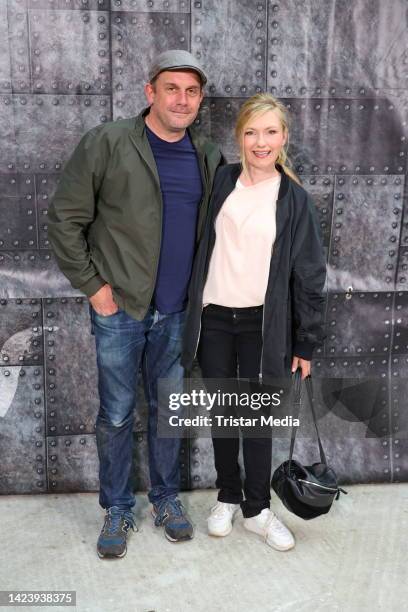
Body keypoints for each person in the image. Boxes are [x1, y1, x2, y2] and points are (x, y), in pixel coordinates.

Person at [48, 50, 224, 558]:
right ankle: (118, 507)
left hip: (178, 312)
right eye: (172, 88)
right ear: (150, 92)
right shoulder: (106, 142)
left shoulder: (206, 154)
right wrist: (96, 290)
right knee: (119, 413)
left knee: (169, 409)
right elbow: (65, 220)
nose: (182, 99)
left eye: (191, 91)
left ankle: (167, 499)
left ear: (200, 99)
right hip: (119, 309)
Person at [181, 93, 326, 551]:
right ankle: (227, 494)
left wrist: (305, 343)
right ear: (239, 136)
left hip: (265, 325)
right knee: (224, 411)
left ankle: (258, 509)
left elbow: (309, 275)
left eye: (269, 132)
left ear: (283, 137)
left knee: (259, 417)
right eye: (250, 132)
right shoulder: (222, 180)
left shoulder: (294, 199)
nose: (259, 142)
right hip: (215, 319)